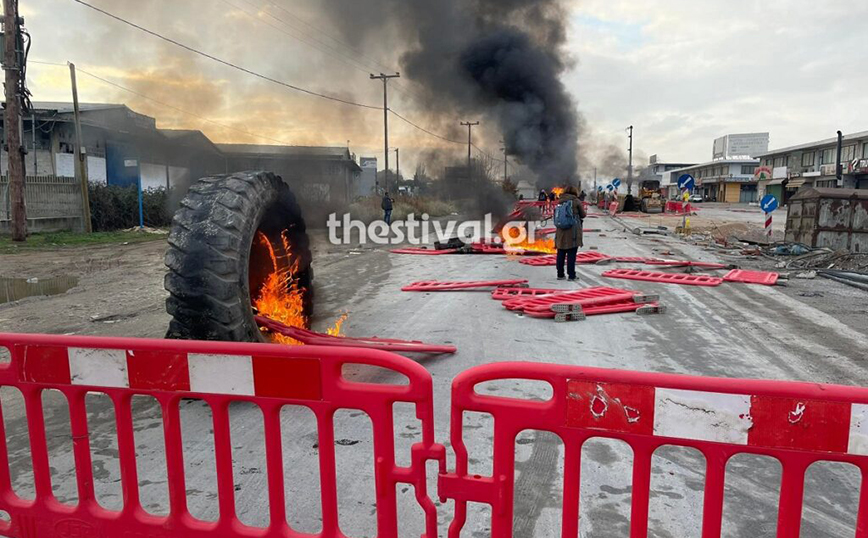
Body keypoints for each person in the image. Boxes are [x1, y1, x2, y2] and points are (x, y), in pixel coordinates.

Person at [554, 185, 587, 282]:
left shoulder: (559, 201)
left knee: (561, 253)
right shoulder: (576, 201)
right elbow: (583, 215)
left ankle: (560, 274)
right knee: (571, 253)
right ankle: (571, 275)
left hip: (560, 231)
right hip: (573, 231)